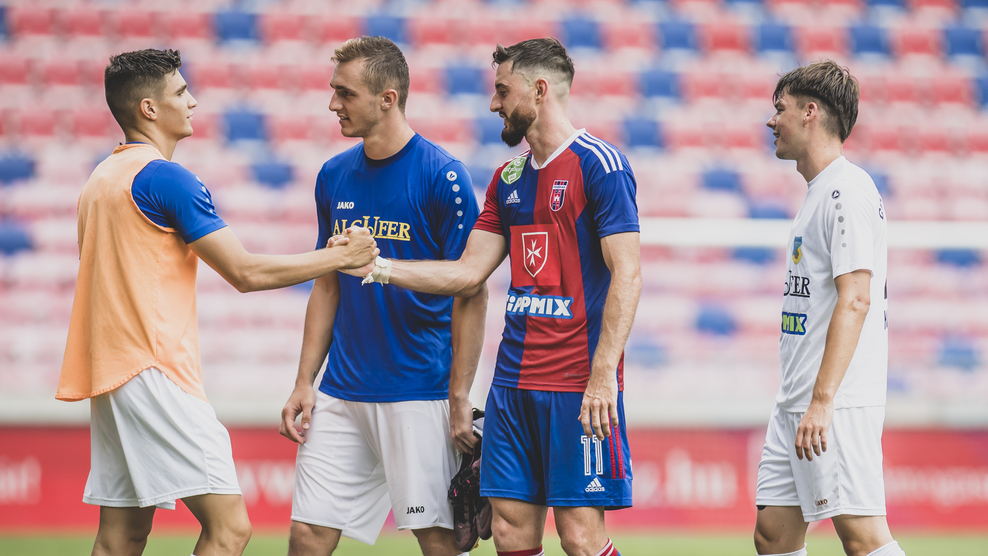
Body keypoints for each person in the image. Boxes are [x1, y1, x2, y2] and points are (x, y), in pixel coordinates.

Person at [56, 48, 378, 556]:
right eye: (181, 92)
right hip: (153, 370)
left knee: (121, 537)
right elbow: (245, 272)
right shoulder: (165, 178)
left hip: (111, 374)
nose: (193, 102)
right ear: (149, 108)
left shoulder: (99, 180)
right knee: (230, 530)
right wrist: (340, 257)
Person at [356, 38, 640, 556]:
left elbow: (628, 273)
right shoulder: (507, 178)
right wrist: (379, 267)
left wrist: (603, 376)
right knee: (509, 534)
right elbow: (468, 274)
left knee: (580, 538)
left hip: (576, 385)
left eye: (503, 91)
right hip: (511, 386)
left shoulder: (601, 165)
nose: (494, 104)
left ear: (539, 89)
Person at [277, 37, 487, 556]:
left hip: (419, 390)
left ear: (388, 98)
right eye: (334, 91)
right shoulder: (333, 175)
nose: (333, 104)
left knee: (439, 543)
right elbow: (327, 282)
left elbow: (472, 288)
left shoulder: (444, 177)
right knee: (306, 537)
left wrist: (459, 396)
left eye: (345, 93)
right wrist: (304, 380)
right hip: (341, 391)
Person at [755, 60, 903, 556]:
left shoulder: (847, 190)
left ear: (810, 112)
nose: (771, 120)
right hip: (797, 399)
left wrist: (823, 401)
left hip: (834, 402)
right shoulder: (821, 192)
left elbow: (856, 297)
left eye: (780, 109)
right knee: (773, 534)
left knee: (862, 538)